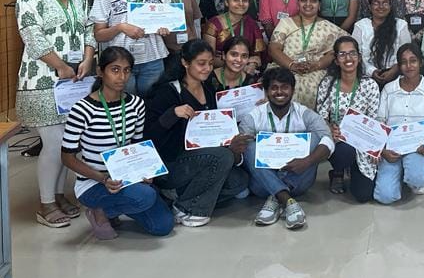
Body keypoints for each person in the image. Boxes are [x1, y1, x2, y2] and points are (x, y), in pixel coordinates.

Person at [16, 0, 96, 227]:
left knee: (68, 142)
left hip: (75, 80)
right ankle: (46, 203)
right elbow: (33, 37)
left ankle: (59, 195)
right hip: (42, 80)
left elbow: (89, 30)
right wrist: (60, 65)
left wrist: (88, 59)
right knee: (53, 143)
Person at [61, 47, 174, 239]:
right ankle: (98, 209)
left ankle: (111, 210)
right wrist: (103, 179)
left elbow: (137, 144)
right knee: (145, 196)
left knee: (163, 226)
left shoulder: (136, 104)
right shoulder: (82, 109)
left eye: (127, 70)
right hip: (94, 183)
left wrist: (143, 172)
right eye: (115, 70)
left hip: (126, 178)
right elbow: (67, 158)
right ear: (100, 71)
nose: (122, 77)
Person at [144, 39, 250, 227]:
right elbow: (149, 136)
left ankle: (180, 194)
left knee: (239, 181)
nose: (207, 69)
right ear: (185, 63)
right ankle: (188, 207)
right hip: (173, 161)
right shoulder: (168, 92)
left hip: (202, 158)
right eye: (201, 63)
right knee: (223, 157)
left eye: (210, 63)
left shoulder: (208, 88)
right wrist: (172, 114)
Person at [240, 66, 335, 228]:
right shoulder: (254, 116)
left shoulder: (304, 113)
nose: (279, 92)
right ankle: (286, 200)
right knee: (248, 145)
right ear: (266, 91)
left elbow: (328, 140)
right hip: (262, 185)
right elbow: (243, 150)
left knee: (316, 138)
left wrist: (307, 161)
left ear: (292, 90)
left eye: (284, 87)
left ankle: (275, 197)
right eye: (274, 88)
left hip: (299, 180)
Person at [90, 0, 169, 97]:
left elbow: (170, 18)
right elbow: (99, 35)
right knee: (125, 105)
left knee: (153, 104)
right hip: (120, 64)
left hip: (153, 60)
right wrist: (120, 27)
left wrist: (165, 27)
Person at [315, 36, 381, 200]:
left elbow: (375, 119)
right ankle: (337, 172)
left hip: (363, 142)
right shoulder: (328, 84)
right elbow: (320, 117)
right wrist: (329, 128)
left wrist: (376, 147)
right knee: (344, 153)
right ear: (336, 60)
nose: (348, 58)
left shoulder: (370, 85)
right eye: (342, 54)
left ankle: (354, 169)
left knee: (363, 195)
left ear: (359, 57)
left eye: (352, 53)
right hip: (339, 141)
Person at [374, 44, 424, 204]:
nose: (409, 66)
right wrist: (383, 150)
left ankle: (410, 176)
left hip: (417, 147)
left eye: (413, 61)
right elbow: (380, 121)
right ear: (399, 65)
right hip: (391, 148)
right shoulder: (388, 89)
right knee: (385, 197)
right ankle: (399, 175)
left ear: (421, 62)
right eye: (404, 62)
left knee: (417, 178)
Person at [268, 0, 343, 109]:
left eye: (313, 1)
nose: (308, 4)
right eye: (304, 0)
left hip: (315, 70)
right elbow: (273, 48)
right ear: (298, 4)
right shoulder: (286, 22)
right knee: (278, 85)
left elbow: (335, 52)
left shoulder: (329, 28)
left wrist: (317, 65)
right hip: (285, 67)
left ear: (319, 5)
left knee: (317, 88)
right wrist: (292, 65)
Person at [354, 0, 411, 89]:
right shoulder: (360, 26)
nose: (381, 7)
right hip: (366, 78)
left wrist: (394, 70)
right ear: (369, 6)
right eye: (376, 3)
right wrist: (372, 71)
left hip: (396, 77)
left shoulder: (401, 25)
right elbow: (355, 54)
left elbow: (406, 53)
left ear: (390, 6)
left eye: (385, 3)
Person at [204, 0, 267, 70]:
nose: (241, 3)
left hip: (246, 72)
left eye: (245, 0)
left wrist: (252, 65)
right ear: (226, 2)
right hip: (220, 72)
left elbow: (257, 57)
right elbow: (209, 58)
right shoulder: (213, 24)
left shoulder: (252, 24)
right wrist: (239, 64)